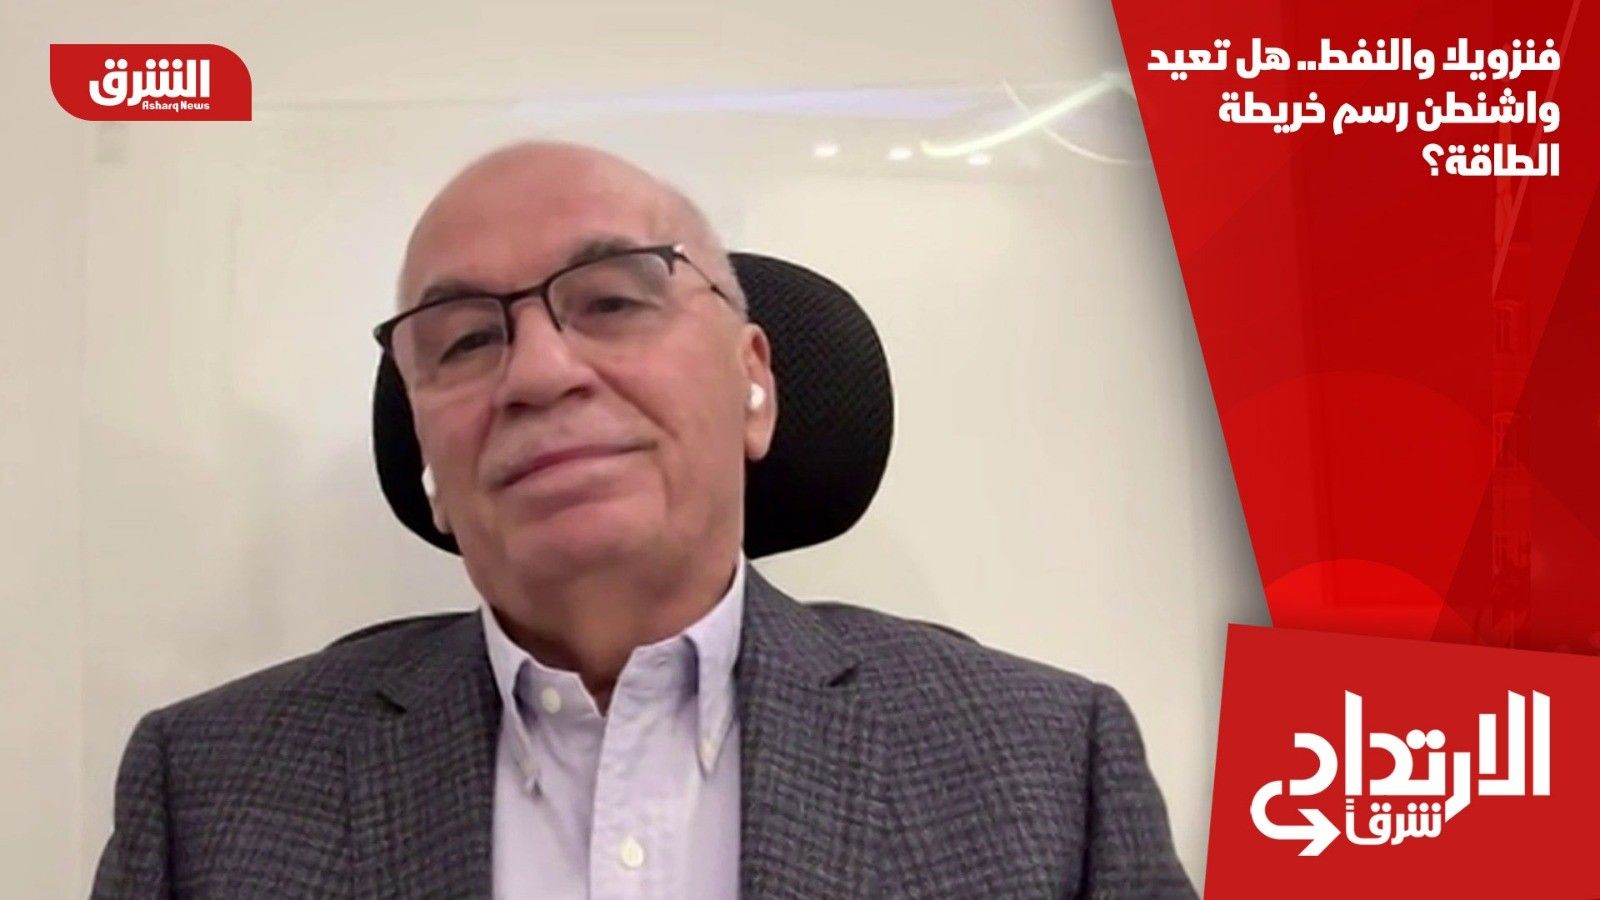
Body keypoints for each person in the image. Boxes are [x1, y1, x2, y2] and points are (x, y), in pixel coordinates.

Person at [91, 141, 1196, 899]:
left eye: (614, 300)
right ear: (427, 456)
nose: (538, 373)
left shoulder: (1047, 767)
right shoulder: (208, 791)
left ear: (753, 379)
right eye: (464, 339)